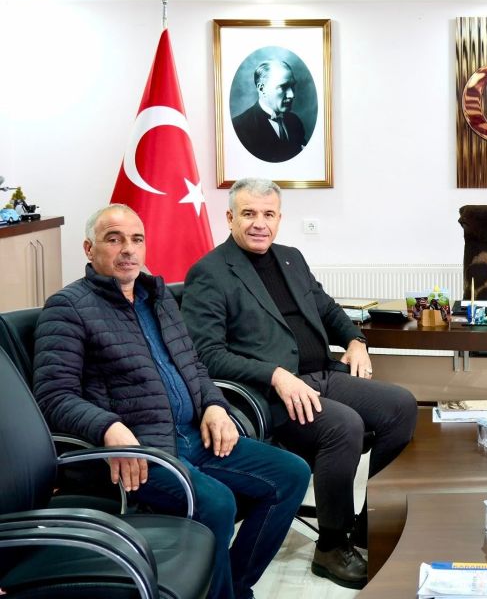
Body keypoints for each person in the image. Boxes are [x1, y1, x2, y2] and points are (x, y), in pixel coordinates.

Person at [32, 204, 311, 599]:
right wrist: (109, 428)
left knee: (292, 473)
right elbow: (53, 396)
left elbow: (193, 364)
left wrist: (214, 405)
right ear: (89, 249)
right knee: (217, 503)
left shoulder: (157, 297)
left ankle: (231, 587)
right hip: (140, 451)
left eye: (137, 239)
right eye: (114, 239)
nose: (128, 249)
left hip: (194, 434)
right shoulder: (68, 307)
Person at [181, 177, 418, 590]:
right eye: (249, 214)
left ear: (279, 218)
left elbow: (328, 310)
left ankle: (368, 525)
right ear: (230, 218)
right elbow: (206, 354)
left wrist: (356, 341)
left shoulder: (291, 258)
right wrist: (275, 375)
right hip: (269, 394)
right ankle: (332, 545)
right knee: (344, 426)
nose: (259, 223)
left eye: (268, 214)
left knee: (401, 406)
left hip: (322, 375)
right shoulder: (210, 273)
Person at [232, 60, 307, 163]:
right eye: (283, 87)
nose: (291, 95)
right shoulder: (239, 128)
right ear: (262, 89)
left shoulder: (295, 121)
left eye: (292, 86)